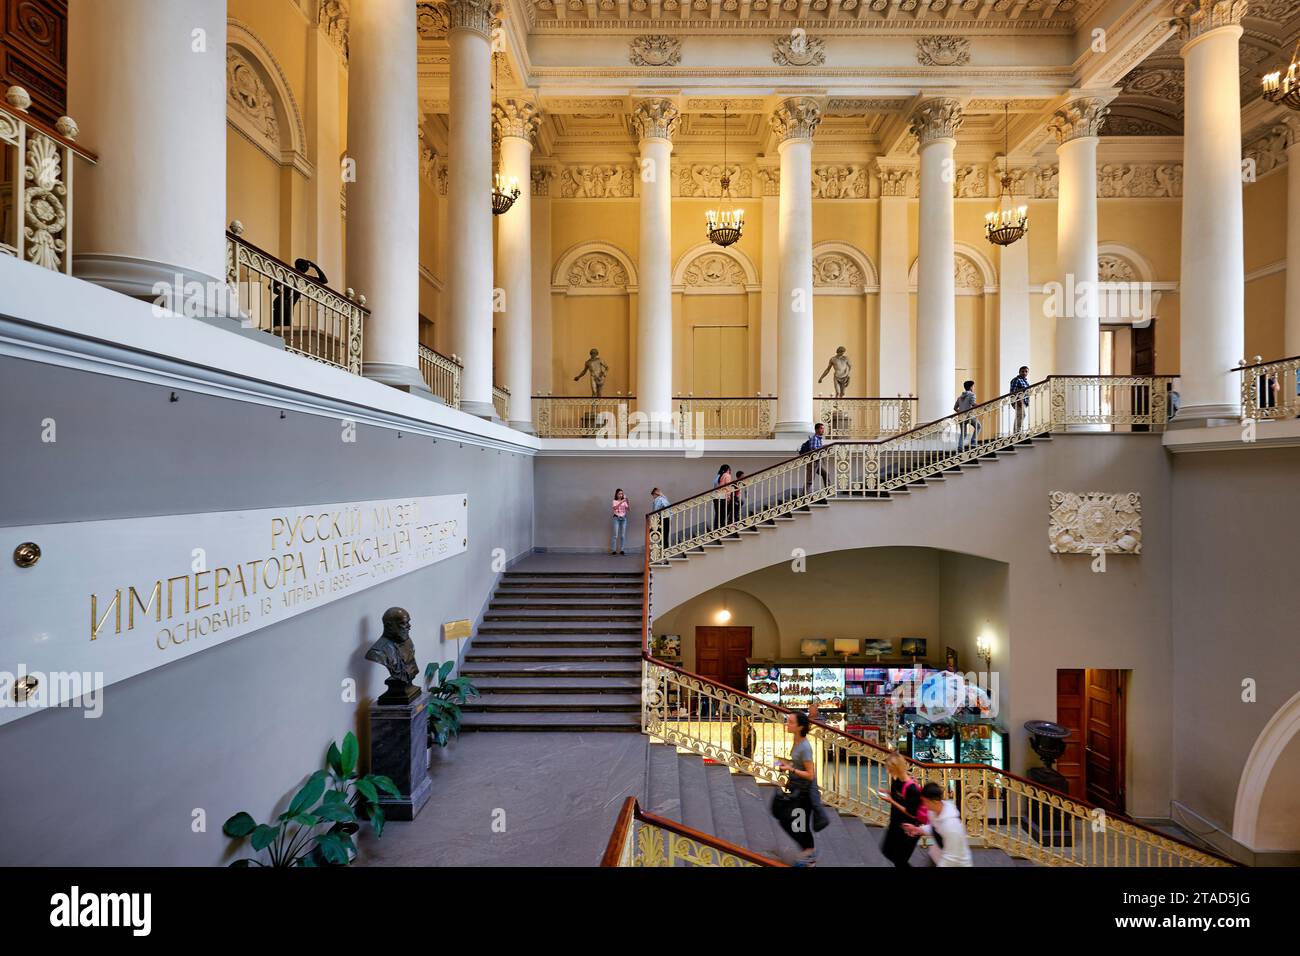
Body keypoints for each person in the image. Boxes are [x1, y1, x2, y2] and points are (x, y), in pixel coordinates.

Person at [774, 711, 818, 866]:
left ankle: (809, 855)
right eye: (788, 721)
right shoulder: (797, 741)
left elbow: (810, 774)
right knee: (795, 823)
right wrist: (786, 765)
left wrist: (791, 769)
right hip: (797, 790)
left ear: (800, 727)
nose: (788, 724)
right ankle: (807, 853)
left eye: (791, 722)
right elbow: (797, 764)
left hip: (803, 794)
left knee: (800, 825)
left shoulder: (805, 747)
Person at [904, 782, 973, 867]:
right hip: (936, 855)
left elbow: (952, 858)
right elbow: (935, 828)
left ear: (935, 801)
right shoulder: (932, 812)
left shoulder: (951, 825)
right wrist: (918, 829)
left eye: (925, 802)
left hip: (955, 863)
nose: (924, 805)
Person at [877, 753, 924, 867]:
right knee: (887, 850)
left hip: (908, 828)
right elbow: (897, 795)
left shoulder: (912, 789)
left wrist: (891, 801)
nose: (887, 771)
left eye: (889, 768)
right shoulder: (897, 780)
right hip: (896, 824)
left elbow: (912, 813)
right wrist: (887, 792)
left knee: (900, 860)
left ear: (896, 768)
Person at [800, 422, 829, 493]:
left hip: (817, 461)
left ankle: (828, 490)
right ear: (816, 430)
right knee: (810, 479)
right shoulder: (814, 438)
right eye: (821, 428)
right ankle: (805, 494)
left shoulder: (819, 439)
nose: (823, 430)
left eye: (823, 428)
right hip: (812, 461)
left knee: (825, 474)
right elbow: (813, 449)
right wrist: (823, 447)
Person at [954, 380, 979, 451]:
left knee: (963, 433)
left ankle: (960, 447)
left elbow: (955, 408)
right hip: (969, 415)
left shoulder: (959, 397)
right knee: (978, 426)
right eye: (973, 386)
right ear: (971, 387)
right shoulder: (972, 394)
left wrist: (961, 411)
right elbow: (973, 403)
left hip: (961, 417)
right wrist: (981, 406)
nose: (974, 387)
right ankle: (973, 441)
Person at [1009, 366, 1030, 435]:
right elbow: (1013, 391)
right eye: (1022, 371)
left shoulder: (1025, 381)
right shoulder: (1016, 379)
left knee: (1020, 415)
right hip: (1019, 400)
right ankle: (1017, 432)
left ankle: (1017, 432)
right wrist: (1017, 400)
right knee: (1021, 415)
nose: (1024, 373)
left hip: (1023, 401)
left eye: (1026, 371)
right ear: (1019, 372)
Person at [712, 464, 733, 529]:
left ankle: (716, 527)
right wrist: (729, 496)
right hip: (722, 497)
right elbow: (728, 487)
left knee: (718, 513)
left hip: (715, 496)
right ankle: (722, 527)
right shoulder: (727, 475)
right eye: (729, 470)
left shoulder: (718, 476)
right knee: (723, 513)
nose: (730, 471)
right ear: (728, 469)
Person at [610, 488, 629, 555]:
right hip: (616, 518)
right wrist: (621, 502)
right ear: (617, 494)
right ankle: (613, 550)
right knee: (615, 535)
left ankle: (622, 550)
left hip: (624, 518)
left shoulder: (624, 501)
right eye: (619, 494)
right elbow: (615, 508)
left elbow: (628, 509)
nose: (621, 495)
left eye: (622, 494)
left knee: (623, 535)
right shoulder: (614, 501)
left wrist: (627, 501)